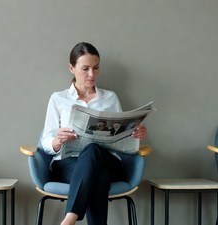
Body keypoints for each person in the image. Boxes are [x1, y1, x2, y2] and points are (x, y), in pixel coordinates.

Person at [40, 42, 147, 225]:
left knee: (92, 150)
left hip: (107, 159)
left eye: (96, 68)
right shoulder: (59, 99)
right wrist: (57, 140)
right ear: (71, 68)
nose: (92, 74)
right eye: (85, 68)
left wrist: (133, 133)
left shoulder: (110, 98)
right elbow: (46, 141)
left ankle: (70, 218)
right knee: (99, 176)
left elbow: (120, 134)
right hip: (69, 162)